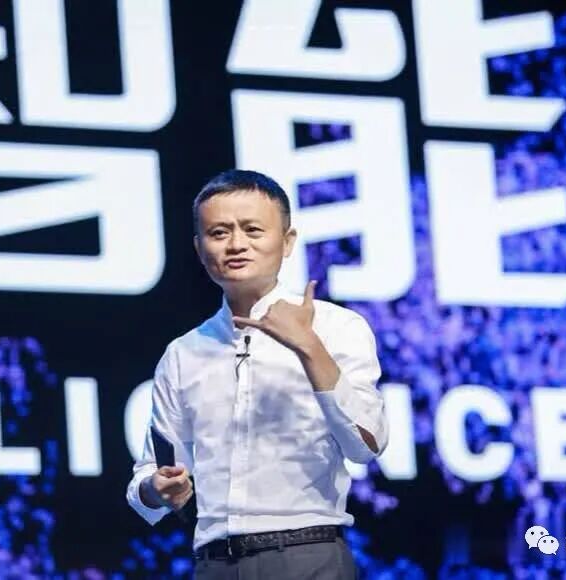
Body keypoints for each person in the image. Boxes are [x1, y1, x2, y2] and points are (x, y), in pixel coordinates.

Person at [126, 169, 389, 579]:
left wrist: (309, 347)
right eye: (218, 233)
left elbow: (367, 445)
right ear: (199, 248)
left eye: (252, 230)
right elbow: (150, 472)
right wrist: (156, 489)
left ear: (287, 241)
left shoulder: (336, 327)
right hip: (215, 562)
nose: (236, 244)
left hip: (307, 553)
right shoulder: (183, 353)